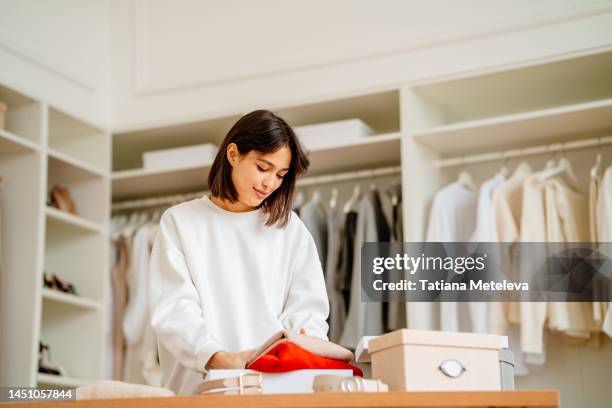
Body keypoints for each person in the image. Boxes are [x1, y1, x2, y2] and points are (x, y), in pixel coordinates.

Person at [148, 110, 330, 395]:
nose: (270, 183)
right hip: (203, 390)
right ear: (233, 154)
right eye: (263, 167)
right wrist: (217, 357)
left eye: (280, 175)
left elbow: (309, 310)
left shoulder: (289, 229)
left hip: (276, 391)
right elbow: (174, 310)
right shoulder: (181, 222)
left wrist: (303, 340)